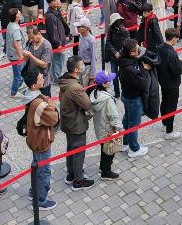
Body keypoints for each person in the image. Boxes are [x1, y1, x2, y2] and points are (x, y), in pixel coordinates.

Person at [23, 67, 59, 211]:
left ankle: (35, 191)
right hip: (42, 141)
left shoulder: (29, 96)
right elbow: (54, 118)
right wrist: (51, 104)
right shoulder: (39, 104)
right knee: (44, 171)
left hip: (34, 138)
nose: (43, 79)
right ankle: (41, 200)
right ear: (34, 85)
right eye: (40, 78)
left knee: (36, 166)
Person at [56, 56, 96, 190]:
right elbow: (87, 104)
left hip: (67, 121)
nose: (83, 67)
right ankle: (78, 181)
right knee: (78, 152)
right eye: (81, 65)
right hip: (76, 124)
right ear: (76, 70)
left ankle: (71, 174)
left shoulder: (65, 81)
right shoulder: (75, 87)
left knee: (70, 149)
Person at [115, 39, 150, 158]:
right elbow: (143, 83)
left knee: (127, 120)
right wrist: (145, 69)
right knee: (133, 124)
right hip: (133, 98)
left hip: (126, 95)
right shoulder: (129, 68)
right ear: (131, 53)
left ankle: (125, 143)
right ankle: (134, 149)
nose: (139, 50)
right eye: (136, 49)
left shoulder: (124, 62)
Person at [89, 71, 121, 181]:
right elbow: (114, 116)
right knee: (109, 151)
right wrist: (119, 129)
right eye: (109, 80)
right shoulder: (108, 100)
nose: (111, 82)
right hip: (108, 129)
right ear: (104, 84)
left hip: (100, 127)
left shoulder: (94, 93)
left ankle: (103, 167)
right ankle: (106, 172)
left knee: (104, 148)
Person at [156, 27, 182, 138]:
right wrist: (180, 63)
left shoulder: (160, 47)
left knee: (164, 102)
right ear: (173, 38)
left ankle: (165, 122)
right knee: (171, 106)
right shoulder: (171, 53)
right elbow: (178, 70)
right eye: (177, 38)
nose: (177, 40)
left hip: (162, 80)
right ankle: (169, 131)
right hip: (172, 83)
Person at [24, 25, 54, 96]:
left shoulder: (46, 46)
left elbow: (44, 65)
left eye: (32, 37)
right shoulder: (31, 42)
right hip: (32, 80)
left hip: (43, 82)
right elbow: (27, 59)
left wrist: (30, 56)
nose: (31, 40)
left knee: (45, 100)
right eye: (29, 38)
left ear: (39, 34)